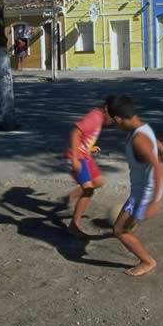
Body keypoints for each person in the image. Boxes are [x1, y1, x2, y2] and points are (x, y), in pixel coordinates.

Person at [106, 94, 163, 276]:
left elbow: (157, 168)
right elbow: (154, 142)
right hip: (146, 190)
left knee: (118, 230)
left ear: (118, 118)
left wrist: (153, 203)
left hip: (144, 194)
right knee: (129, 223)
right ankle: (133, 222)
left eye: (113, 121)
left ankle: (147, 261)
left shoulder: (137, 140)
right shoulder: (143, 128)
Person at [64, 97, 114, 238]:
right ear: (106, 109)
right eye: (114, 117)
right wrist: (74, 158)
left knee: (98, 181)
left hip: (84, 153)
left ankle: (71, 196)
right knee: (88, 190)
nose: (114, 121)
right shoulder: (95, 117)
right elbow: (75, 132)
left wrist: (89, 148)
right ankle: (73, 226)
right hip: (76, 155)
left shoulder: (99, 117)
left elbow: (85, 136)